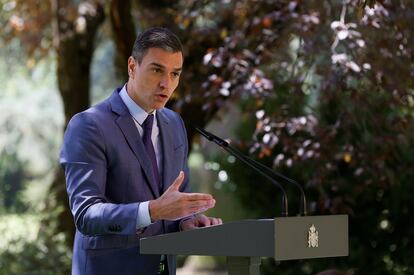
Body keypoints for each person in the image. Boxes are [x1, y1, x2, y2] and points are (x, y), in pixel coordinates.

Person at [60, 27, 222, 275]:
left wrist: (188, 221)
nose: (166, 83)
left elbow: (175, 198)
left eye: (175, 74)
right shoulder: (88, 126)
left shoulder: (174, 124)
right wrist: (153, 210)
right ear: (132, 67)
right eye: (157, 70)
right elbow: (86, 214)